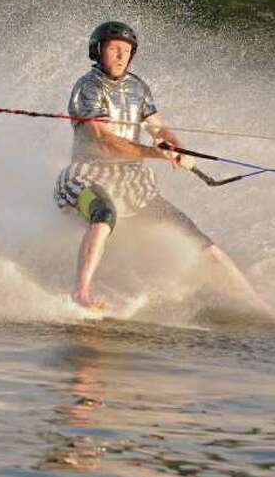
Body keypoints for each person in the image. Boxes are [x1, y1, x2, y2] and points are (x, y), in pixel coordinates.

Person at [53, 21, 259, 310]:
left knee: (193, 235)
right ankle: (82, 293)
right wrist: (156, 154)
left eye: (126, 51)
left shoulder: (137, 87)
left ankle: (256, 304)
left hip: (131, 184)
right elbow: (105, 141)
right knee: (104, 214)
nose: (121, 56)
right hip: (86, 178)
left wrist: (176, 148)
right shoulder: (87, 88)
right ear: (98, 51)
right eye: (114, 49)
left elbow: (158, 128)